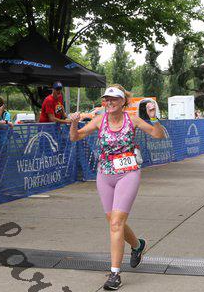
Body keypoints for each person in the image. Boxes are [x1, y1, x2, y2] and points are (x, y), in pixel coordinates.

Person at [69, 85, 165, 290]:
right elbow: (75, 137)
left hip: (128, 173)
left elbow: (158, 135)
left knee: (116, 223)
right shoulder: (99, 120)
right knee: (114, 222)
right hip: (104, 175)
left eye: (114, 99)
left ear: (123, 102)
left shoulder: (132, 120)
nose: (110, 102)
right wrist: (74, 123)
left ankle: (115, 274)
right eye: (107, 99)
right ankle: (137, 245)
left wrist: (154, 118)